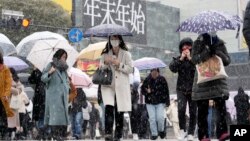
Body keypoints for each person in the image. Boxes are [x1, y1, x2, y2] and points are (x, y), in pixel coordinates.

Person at [191, 33, 231, 141]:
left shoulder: (220, 42)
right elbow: (194, 59)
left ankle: (222, 132)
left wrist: (217, 52)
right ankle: (203, 135)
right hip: (203, 82)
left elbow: (227, 60)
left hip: (217, 81)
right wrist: (207, 51)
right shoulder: (197, 43)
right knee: (202, 111)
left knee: (221, 108)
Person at [100, 35, 133, 141]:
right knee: (108, 109)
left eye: (116, 38)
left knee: (119, 111)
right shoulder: (105, 54)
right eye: (112, 39)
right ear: (109, 40)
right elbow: (100, 67)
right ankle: (108, 134)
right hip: (108, 86)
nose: (114, 41)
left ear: (120, 40)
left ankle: (118, 135)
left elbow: (130, 69)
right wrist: (106, 62)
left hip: (121, 86)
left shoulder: (126, 54)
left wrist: (119, 64)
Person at [169, 37, 197, 141]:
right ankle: (182, 130)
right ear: (181, 48)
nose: (186, 48)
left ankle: (191, 133)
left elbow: (199, 68)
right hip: (181, 89)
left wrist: (190, 58)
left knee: (193, 112)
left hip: (193, 89)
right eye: (183, 46)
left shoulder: (195, 59)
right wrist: (181, 59)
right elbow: (172, 68)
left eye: (188, 46)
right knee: (181, 109)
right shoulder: (178, 59)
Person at [41, 49, 70, 140]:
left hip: (63, 97)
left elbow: (65, 81)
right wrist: (50, 72)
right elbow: (43, 78)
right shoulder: (51, 65)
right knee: (55, 119)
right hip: (54, 98)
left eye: (66, 57)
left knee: (62, 120)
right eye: (63, 57)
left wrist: (67, 84)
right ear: (58, 56)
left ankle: (60, 135)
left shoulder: (65, 68)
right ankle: (55, 135)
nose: (64, 59)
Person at [141, 68, 170, 140]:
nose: (154, 74)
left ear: (158, 72)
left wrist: (167, 101)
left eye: (155, 72)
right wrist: (147, 91)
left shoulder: (162, 79)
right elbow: (142, 90)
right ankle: (154, 134)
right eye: (152, 72)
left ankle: (161, 130)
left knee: (160, 118)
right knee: (152, 119)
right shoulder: (147, 79)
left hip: (160, 102)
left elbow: (166, 91)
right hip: (150, 102)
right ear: (150, 72)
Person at [28, 68, 46, 140]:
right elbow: (31, 80)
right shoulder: (38, 71)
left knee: (42, 116)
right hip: (40, 97)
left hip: (43, 97)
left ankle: (42, 133)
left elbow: (31, 80)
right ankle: (42, 133)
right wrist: (34, 71)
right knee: (41, 116)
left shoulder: (47, 72)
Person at [0, 52, 14, 139]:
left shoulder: (5, 69)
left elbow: (8, 84)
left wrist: (6, 94)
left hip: (2, 97)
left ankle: (4, 134)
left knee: (3, 116)